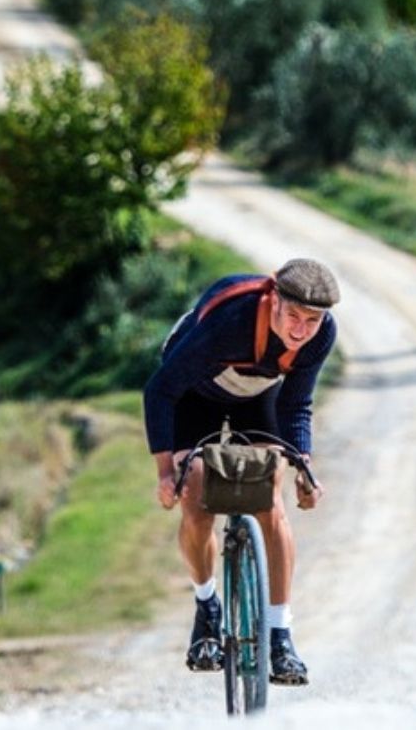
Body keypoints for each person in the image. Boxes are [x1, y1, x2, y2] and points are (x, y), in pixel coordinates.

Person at [144, 257, 340, 687]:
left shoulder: (320, 334)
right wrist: (164, 474)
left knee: (270, 495)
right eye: (293, 316)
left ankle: (281, 636)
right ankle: (207, 607)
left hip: (257, 395)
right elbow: (160, 390)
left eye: (313, 319)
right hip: (194, 393)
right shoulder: (232, 322)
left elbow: (295, 405)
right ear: (273, 300)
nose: (301, 330)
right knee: (197, 494)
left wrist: (303, 466)